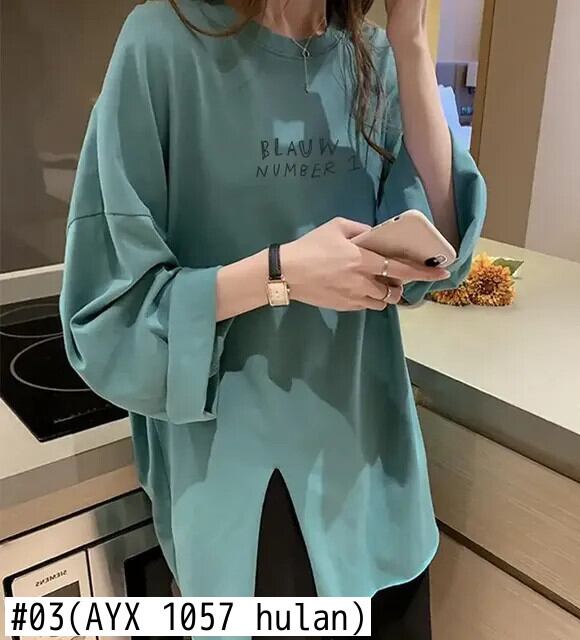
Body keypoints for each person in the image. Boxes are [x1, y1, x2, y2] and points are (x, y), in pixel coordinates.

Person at [59, 0, 486, 638]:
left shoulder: (372, 56)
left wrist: (413, 40)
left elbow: (442, 256)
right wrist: (278, 274)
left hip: (376, 481)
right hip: (244, 496)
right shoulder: (161, 43)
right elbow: (109, 317)